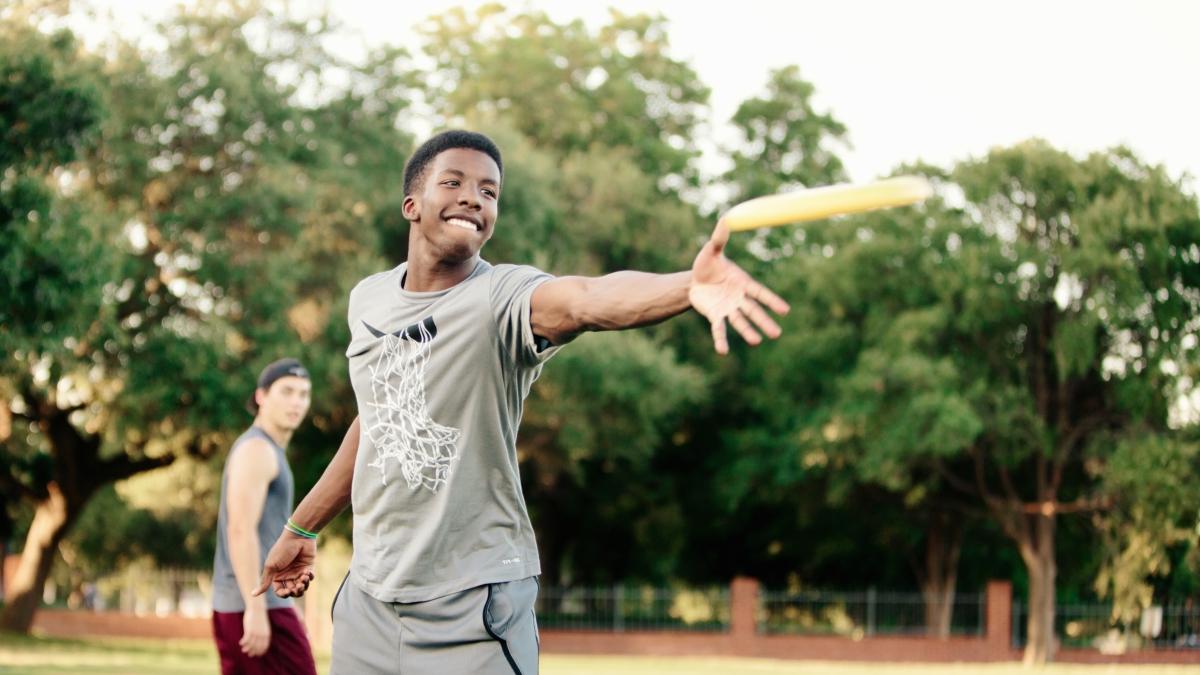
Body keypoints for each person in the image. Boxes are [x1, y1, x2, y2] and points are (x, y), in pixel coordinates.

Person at [254, 130, 789, 674]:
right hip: (370, 602)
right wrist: (301, 527)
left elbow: (585, 299)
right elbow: (377, 421)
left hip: (473, 606)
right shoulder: (368, 299)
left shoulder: (501, 299)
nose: (473, 197)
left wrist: (686, 286)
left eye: (489, 192)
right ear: (411, 205)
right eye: (454, 182)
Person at [212, 358, 318, 675]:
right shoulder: (257, 450)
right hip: (253, 605)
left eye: (303, 394)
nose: (296, 402)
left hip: (265, 604)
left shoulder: (270, 450)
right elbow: (240, 530)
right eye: (286, 391)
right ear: (261, 396)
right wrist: (255, 610)